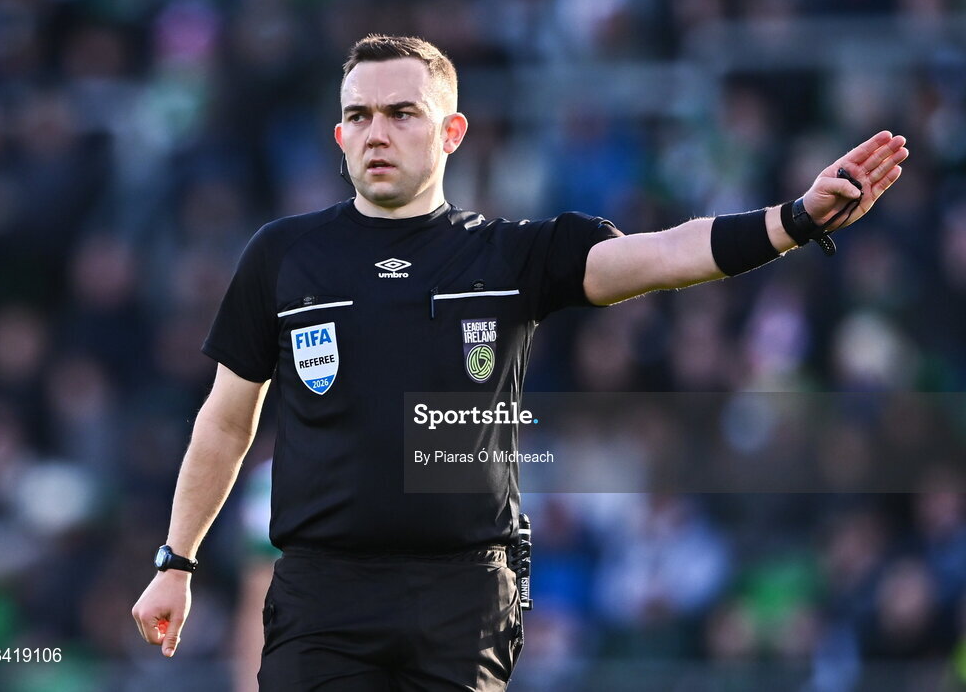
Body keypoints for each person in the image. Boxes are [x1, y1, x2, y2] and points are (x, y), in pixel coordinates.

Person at [131, 34, 908, 691]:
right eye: (358, 116)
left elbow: (668, 255)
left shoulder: (511, 254)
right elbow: (227, 420)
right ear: (339, 135)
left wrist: (795, 219)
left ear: (452, 132)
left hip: (465, 593)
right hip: (323, 593)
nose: (377, 132)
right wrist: (177, 560)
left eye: (403, 113)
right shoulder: (283, 256)